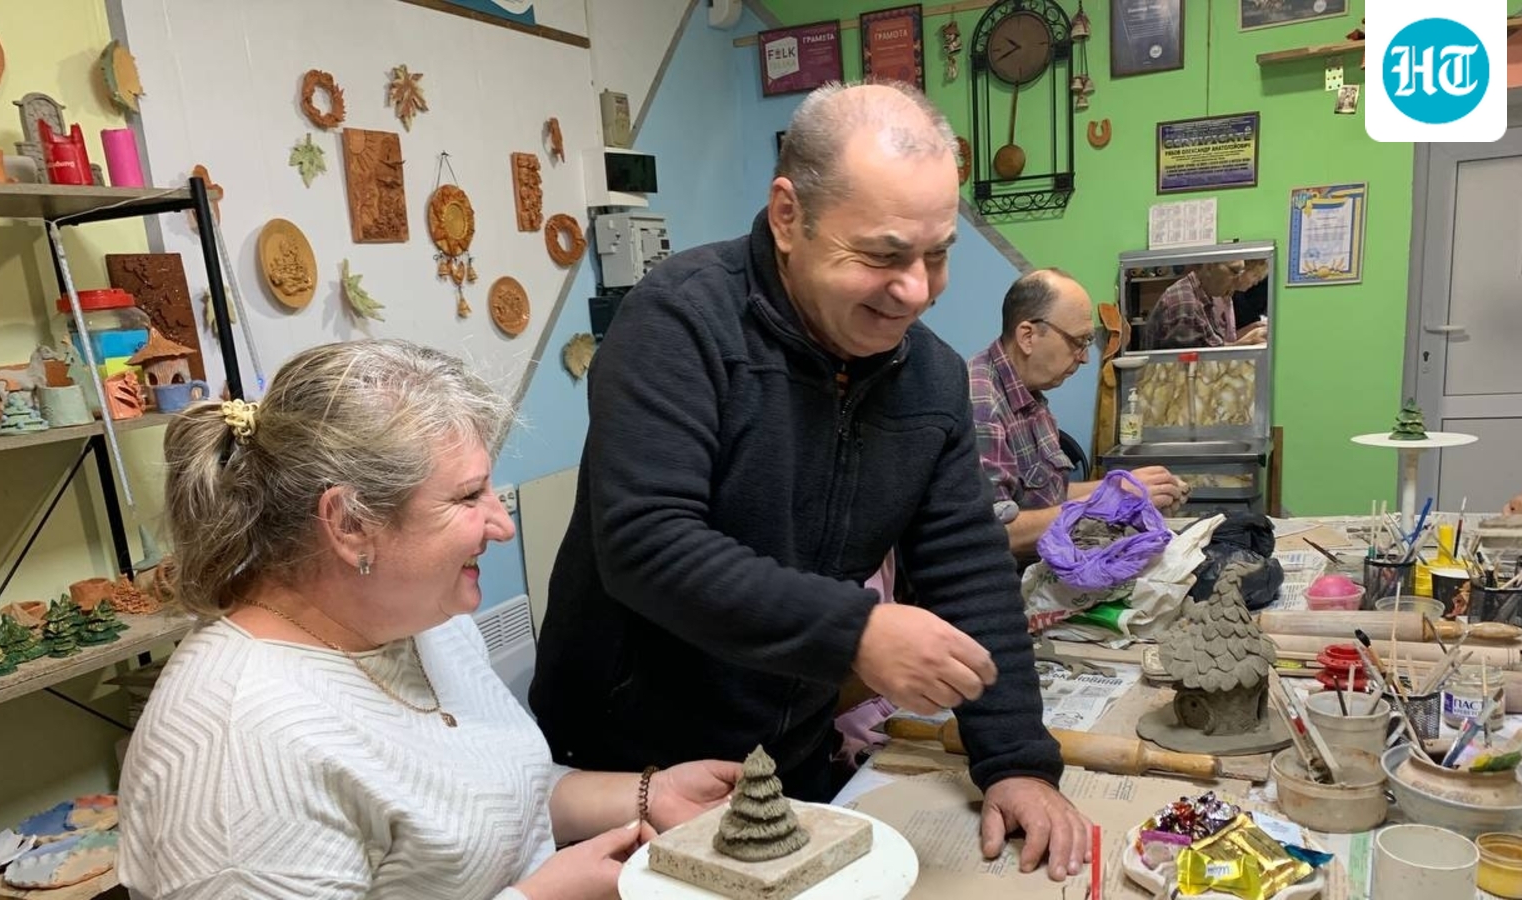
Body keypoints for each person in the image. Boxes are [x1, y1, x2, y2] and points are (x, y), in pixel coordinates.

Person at [531, 81, 1093, 881]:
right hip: (630, 770)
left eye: (937, 254)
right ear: (789, 215)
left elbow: (967, 571)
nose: (918, 290)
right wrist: (857, 632)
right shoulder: (679, 325)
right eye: (883, 255)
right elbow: (647, 545)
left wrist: (1016, 761)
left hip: (787, 759)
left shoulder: (928, 379)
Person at [118, 340, 741, 900]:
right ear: (350, 525)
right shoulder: (240, 752)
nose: (502, 523)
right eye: (469, 497)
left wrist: (646, 795)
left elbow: (491, 799)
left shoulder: (421, 620)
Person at [970, 269, 1187, 558]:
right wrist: (1108, 500)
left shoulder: (1029, 393)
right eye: (1078, 342)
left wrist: (1123, 486)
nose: (1085, 358)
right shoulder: (981, 404)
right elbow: (995, 534)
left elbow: (1047, 496)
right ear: (1028, 336)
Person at [1145, 261, 1268, 350]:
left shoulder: (1201, 296)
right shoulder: (1186, 305)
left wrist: (1248, 341)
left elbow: (1209, 348)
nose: (1237, 280)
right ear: (1209, 266)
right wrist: (1247, 342)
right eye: (1234, 271)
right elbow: (1196, 369)